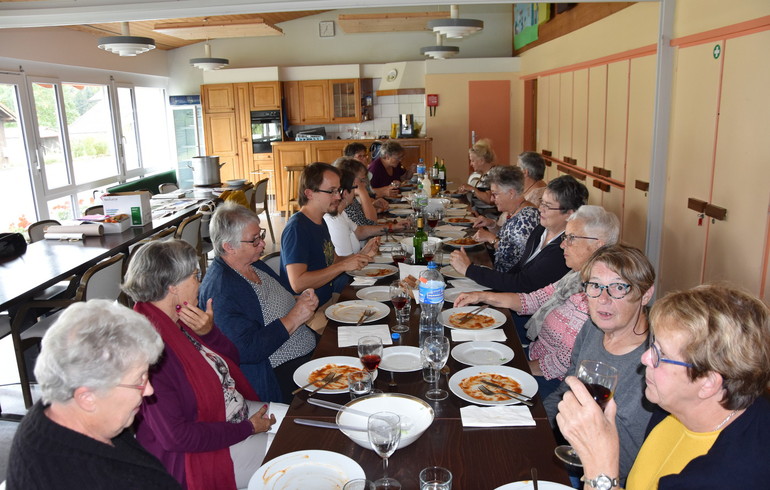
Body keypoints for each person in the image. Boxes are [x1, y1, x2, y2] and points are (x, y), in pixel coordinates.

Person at [556, 283, 770, 489]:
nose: (645, 358)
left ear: (708, 383)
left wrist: (599, 464)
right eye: (653, 346)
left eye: (662, 355)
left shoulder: (724, 477)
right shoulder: (670, 408)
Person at [123, 240, 278, 489]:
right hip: (198, 451)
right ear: (172, 286)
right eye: (195, 275)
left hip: (229, 412)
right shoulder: (149, 351)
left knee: (298, 425)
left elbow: (232, 360)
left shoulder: (180, 318)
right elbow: (177, 437)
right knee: (291, 458)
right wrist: (247, 428)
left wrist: (209, 333)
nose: (200, 282)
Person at [7, 300, 181, 489]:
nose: (149, 390)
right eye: (139, 380)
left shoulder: (56, 413)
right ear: (87, 397)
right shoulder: (94, 478)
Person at [455, 207, 620, 399]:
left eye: (571, 238)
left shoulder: (596, 296)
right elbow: (533, 299)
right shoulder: (576, 277)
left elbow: (562, 363)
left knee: (469, 379)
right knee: (467, 353)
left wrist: (512, 367)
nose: (562, 245)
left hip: (553, 383)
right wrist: (481, 296)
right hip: (533, 357)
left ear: (597, 245)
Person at [544, 244, 656, 486]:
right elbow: (567, 390)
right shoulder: (593, 328)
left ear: (645, 295)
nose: (603, 300)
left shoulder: (655, 364)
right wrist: (536, 424)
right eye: (595, 286)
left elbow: (629, 461)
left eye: (618, 287)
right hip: (567, 445)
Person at [199, 202, 319, 404]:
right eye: (255, 240)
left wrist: (300, 302)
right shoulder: (221, 291)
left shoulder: (254, 264)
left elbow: (277, 300)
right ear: (229, 247)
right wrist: (293, 318)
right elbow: (245, 350)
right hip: (279, 373)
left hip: (307, 347)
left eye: (261, 235)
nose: (263, 244)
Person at [452, 175, 588, 293]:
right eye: (541, 202)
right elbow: (518, 269)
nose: (540, 209)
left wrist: (470, 270)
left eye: (547, 205)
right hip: (512, 293)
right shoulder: (542, 229)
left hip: (525, 310)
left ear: (569, 213)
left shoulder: (564, 249)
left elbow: (523, 283)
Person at [280, 162, 370, 307]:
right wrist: (342, 266)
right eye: (332, 191)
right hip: (309, 315)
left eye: (338, 190)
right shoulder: (297, 229)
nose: (338, 197)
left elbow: (334, 261)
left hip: (327, 302)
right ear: (309, 193)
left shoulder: (320, 221)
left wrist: (361, 256)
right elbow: (298, 283)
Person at [467, 165, 540, 273]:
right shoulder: (516, 211)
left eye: (495, 194)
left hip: (510, 280)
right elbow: (509, 238)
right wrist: (491, 225)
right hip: (501, 274)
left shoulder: (527, 217)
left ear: (511, 193)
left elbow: (516, 255)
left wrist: (491, 238)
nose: (492, 199)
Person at [324, 167, 401, 257]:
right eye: (354, 187)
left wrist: (393, 227)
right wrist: (365, 254)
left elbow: (360, 231)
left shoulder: (340, 213)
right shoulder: (335, 221)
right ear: (345, 193)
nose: (355, 191)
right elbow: (345, 263)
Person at [333, 156, 383, 226]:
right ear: (349, 179)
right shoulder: (343, 200)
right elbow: (372, 223)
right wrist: (363, 192)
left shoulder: (352, 197)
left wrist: (372, 205)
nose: (365, 183)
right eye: (362, 179)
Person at [457, 139, 498, 216]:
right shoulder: (479, 175)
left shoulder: (494, 175)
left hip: (490, 217)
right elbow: (471, 201)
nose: (470, 164)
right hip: (477, 214)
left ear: (481, 161)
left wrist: (472, 189)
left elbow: (490, 200)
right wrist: (462, 195)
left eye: (472, 161)